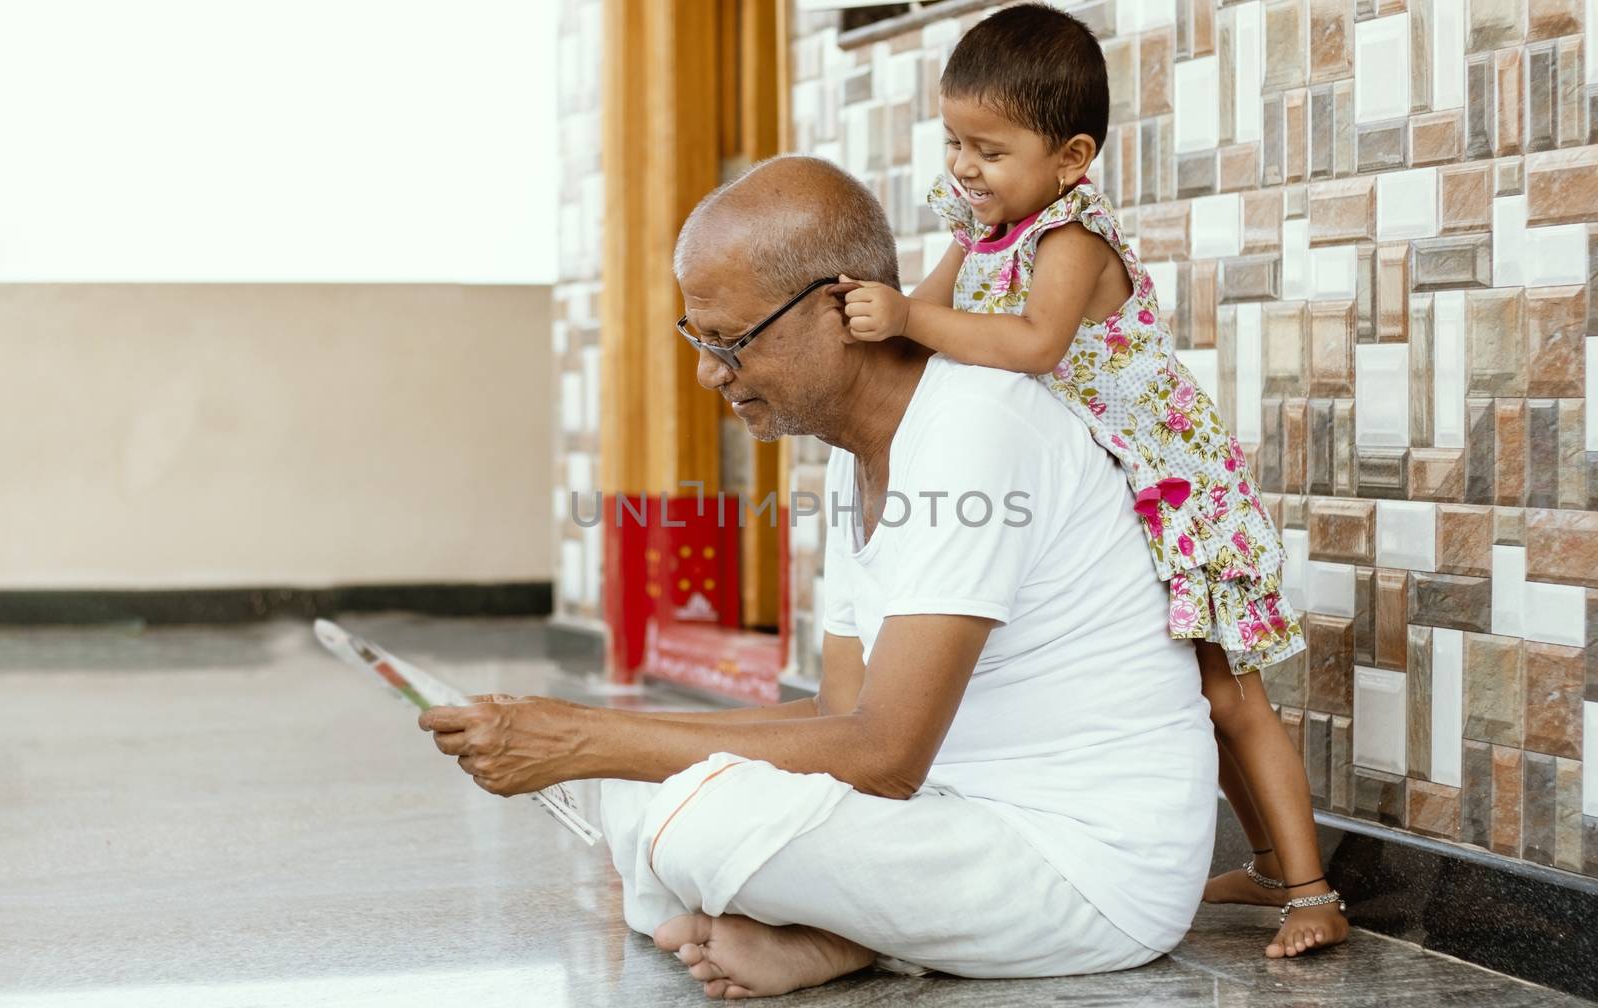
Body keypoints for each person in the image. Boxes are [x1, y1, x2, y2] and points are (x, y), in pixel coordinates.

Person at [418, 154, 1218, 999]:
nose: (709, 371)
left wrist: (580, 739)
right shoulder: (858, 448)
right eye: (698, 337)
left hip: (1084, 867)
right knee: (637, 795)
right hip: (944, 815)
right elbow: (841, 714)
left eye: (731, 340)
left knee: (689, 821)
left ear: (841, 307)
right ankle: (842, 935)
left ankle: (834, 925)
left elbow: (882, 756)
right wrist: (602, 750)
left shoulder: (974, 428)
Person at [837, 3, 1346, 958]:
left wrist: (903, 316)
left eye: (989, 150)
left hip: (1174, 494)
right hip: (1110, 498)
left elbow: (1031, 345)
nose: (964, 167)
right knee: (1200, 697)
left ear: (1070, 158)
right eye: (954, 142)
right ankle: (1277, 865)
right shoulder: (983, 223)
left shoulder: (1070, 238)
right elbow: (933, 319)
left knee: (1231, 696)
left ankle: (1313, 890)